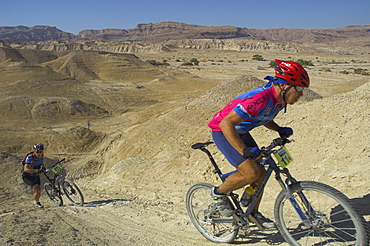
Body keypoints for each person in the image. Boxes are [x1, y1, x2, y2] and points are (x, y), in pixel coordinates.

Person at [207, 59, 310, 229]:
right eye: (298, 88)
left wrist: (279, 129)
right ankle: (219, 194)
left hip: (241, 131)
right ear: (284, 86)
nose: (301, 94)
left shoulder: (280, 100)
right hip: (223, 130)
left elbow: (263, 117)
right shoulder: (260, 98)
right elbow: (226, 124)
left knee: (262, 172)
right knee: (251, 171)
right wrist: (243, 149)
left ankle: (253, 213)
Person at [22, 143, 46, 208]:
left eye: (41, 152)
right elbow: (26, 169)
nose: (39, 153)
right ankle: (37, 203)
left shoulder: (42, 156)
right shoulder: (30, 157)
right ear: (34, 151)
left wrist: (43, 168)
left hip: (35, 175)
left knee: (38, 190)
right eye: (37, 151)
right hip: (28, 176)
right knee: (37, 189)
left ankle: (36, 201)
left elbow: (41, 163)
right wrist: (37, 171)